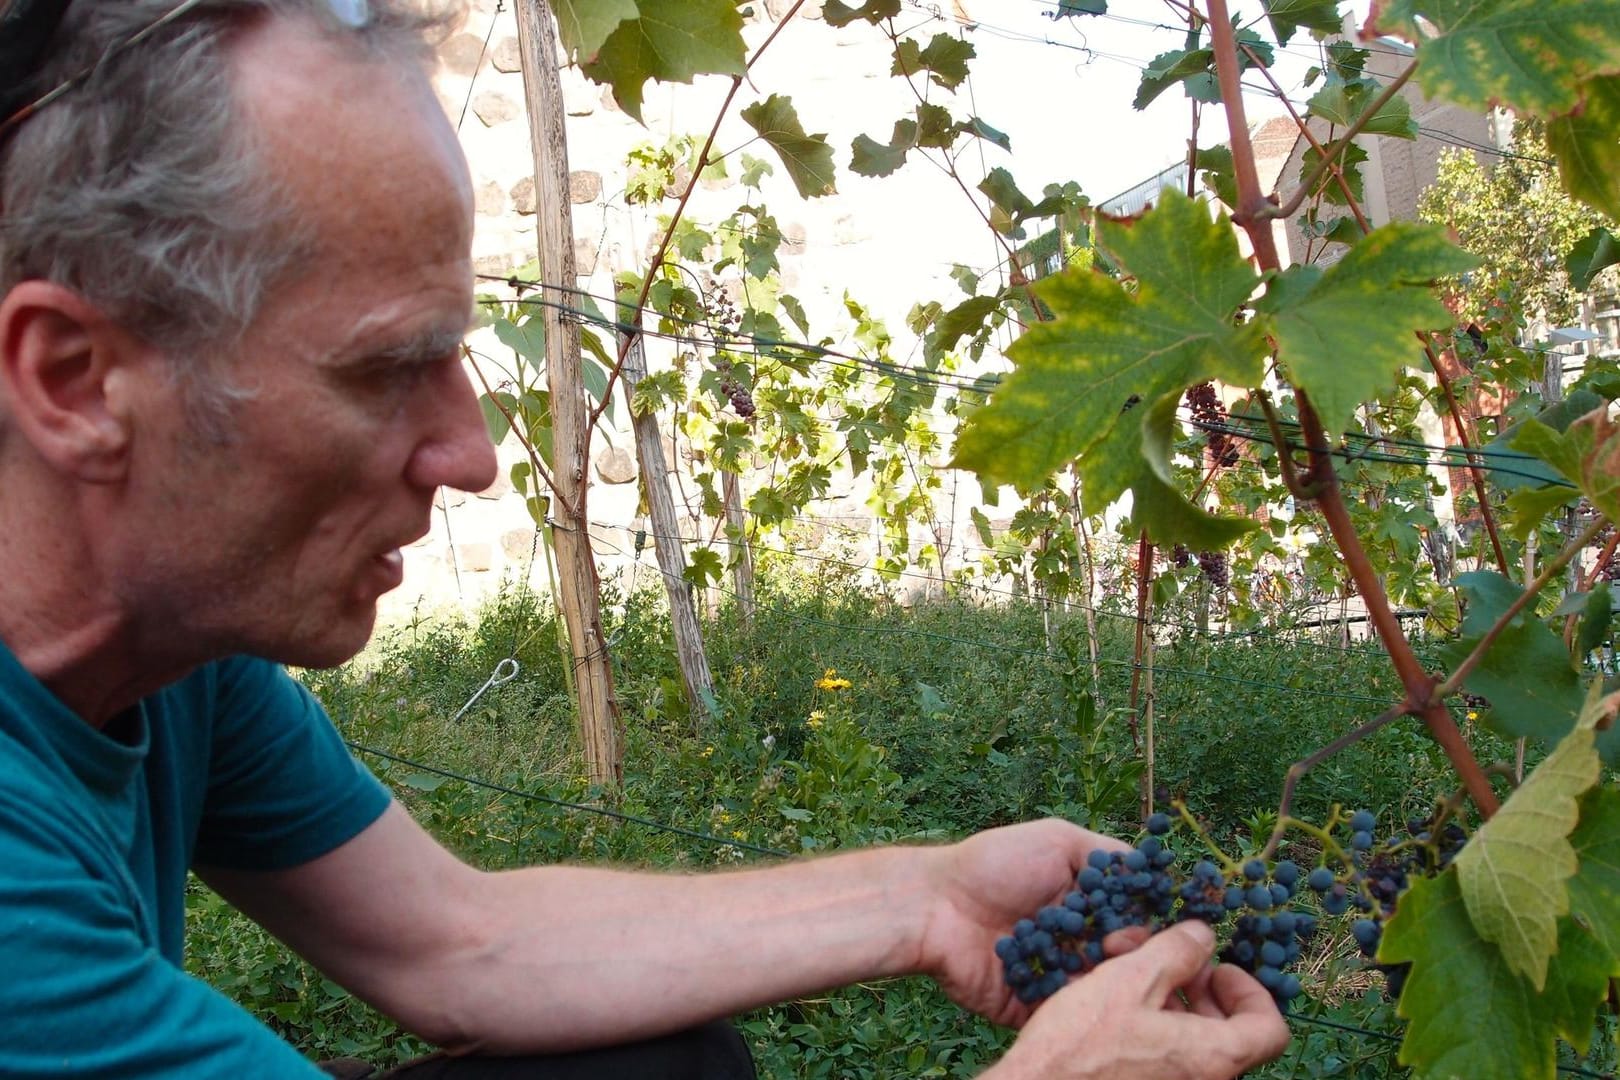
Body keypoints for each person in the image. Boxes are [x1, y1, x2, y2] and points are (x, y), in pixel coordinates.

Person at [0, 1, 1292, 1077]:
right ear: (72, 380)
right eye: (389, 367)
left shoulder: (172, 658)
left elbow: (458, 941)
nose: (473, 453)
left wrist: (931, 896)